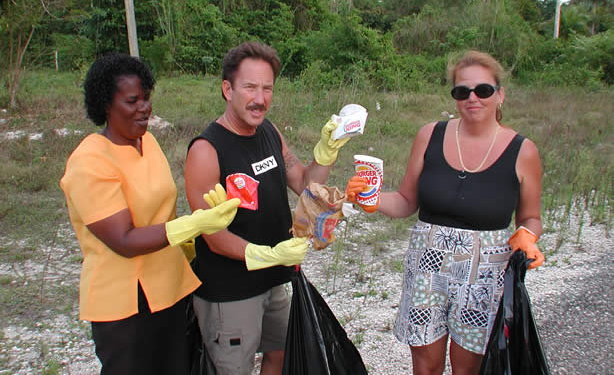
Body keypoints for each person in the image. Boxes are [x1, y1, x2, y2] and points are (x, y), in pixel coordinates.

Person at [346, 50, 545, 375]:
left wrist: (528, 235)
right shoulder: (430, 135)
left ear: (500, 94)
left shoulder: (523, 150)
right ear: (454, 96)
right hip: (427, 268)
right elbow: (407, 201)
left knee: (469, 367)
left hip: (486, 276)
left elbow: (530, 216)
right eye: (461, 91)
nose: (472, 98)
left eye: (483, 90)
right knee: (425, 365)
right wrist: (372, 199)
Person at [60, 53, 240, 375]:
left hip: (168, 290)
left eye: (147, 98)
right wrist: (193, 225)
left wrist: (189, 240)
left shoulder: (149, 142)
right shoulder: (89, 162)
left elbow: (161, 211)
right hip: (124, 305)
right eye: (133, 100)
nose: (144, 108)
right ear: (105, 104)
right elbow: (124, 240)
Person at [184, 41, 349, 375]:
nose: (259, 99)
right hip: (229, 291)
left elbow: (305, 183)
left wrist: (325, 153)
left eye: (267, 88)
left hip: (274, 280)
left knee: (283, 353)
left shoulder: (270, 132)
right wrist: (266, 255)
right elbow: (212, 235)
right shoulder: (206, 150)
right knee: (233, 369)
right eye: (250, 88)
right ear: (227, 89)